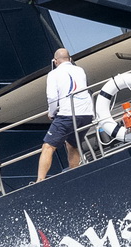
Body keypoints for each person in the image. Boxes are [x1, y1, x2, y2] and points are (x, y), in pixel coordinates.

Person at [37, 48, 91, 182]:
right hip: (87, 114)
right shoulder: (80, 70)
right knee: (72, 144)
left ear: (55, 61)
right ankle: (75, 173)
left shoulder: (53, 74)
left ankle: (40, 181)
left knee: (48, 146)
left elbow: (52, 97)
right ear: (70, 59)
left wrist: (51, 112)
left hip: (68, 114)